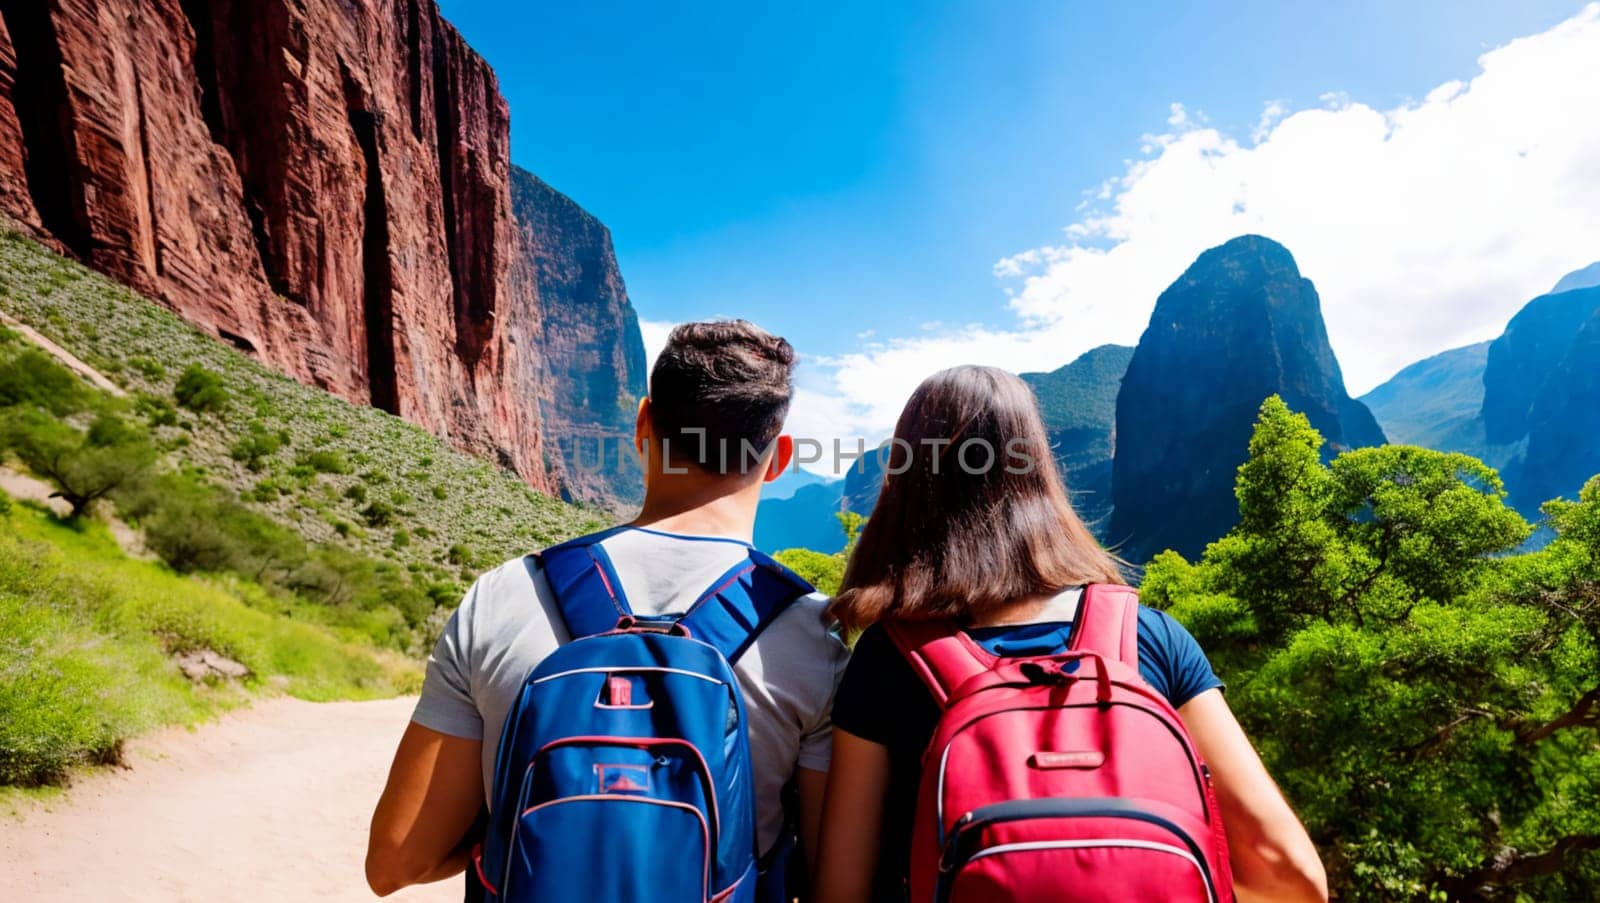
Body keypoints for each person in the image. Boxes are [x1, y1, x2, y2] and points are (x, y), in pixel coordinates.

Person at [366, 320, 849, 897]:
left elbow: (396, 861)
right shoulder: (815, 639)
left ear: (643, 425)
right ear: (780, 458)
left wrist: (520, 825)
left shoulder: (503, 596)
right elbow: (836, 889)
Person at [811, 365, 1329, 903]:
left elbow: (841, 889)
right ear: (1040, 473)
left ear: (908, 482)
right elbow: (1290, 873)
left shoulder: (887, 659)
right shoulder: (1152, 640)